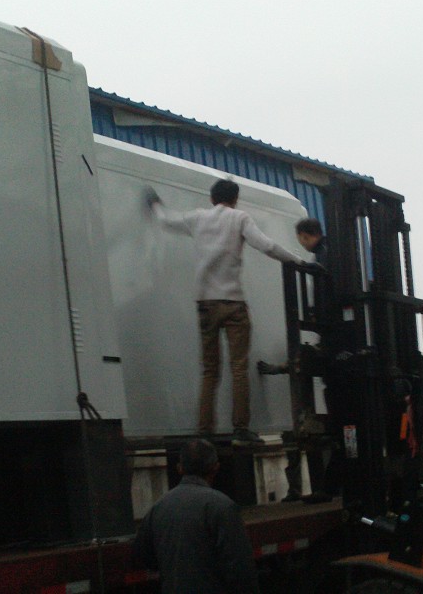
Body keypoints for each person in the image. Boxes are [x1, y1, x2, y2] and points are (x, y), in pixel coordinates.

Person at [146, 179, 304, 446]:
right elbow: (266, 246)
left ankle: (204, 431)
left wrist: (154, 203)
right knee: (238, 368)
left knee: (210, 370)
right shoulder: (239, 218)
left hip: (205, 304)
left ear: (212, 198)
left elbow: (165, 220)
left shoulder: (198, 218)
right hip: (233, 304)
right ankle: (240, 430)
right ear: (235, 199)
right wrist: (299, 261)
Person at [259, 218, 344, 503]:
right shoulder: (332, 254)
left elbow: (326, 286)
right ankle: (328, 487)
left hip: (336, 339)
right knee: (332, 431)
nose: (302, 245)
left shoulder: (324, 257)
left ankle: (327, 487)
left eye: (301, 240)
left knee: (335, 428)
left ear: (307, 236)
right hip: (335, 343)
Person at [133, 439, 260, 594]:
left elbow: (144, 557)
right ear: (216, 467)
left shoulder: (158, 507)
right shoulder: (223, 507)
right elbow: (241, 569)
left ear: (179, 468)